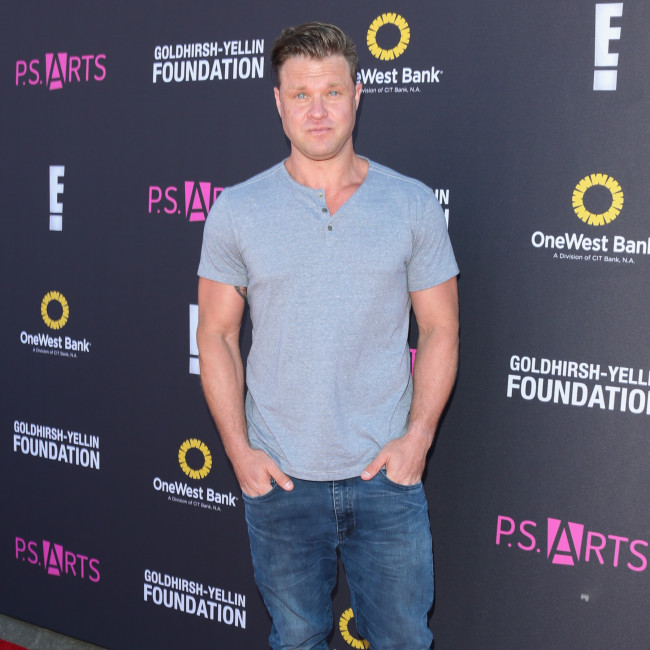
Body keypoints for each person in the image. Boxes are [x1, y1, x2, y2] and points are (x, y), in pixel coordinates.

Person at [197, 21, 459, 650]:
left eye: (332, 92)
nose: (317, 111)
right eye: (301, 94)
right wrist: (239, 453)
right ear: (278, 102)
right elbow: (217, 335)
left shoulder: (411, 204)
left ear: (357, 95)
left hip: (386, 481)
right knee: (297, 640)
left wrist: (417, 439)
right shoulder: (237, 210)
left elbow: (441, 327)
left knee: (403, 641)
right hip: (280, 482)